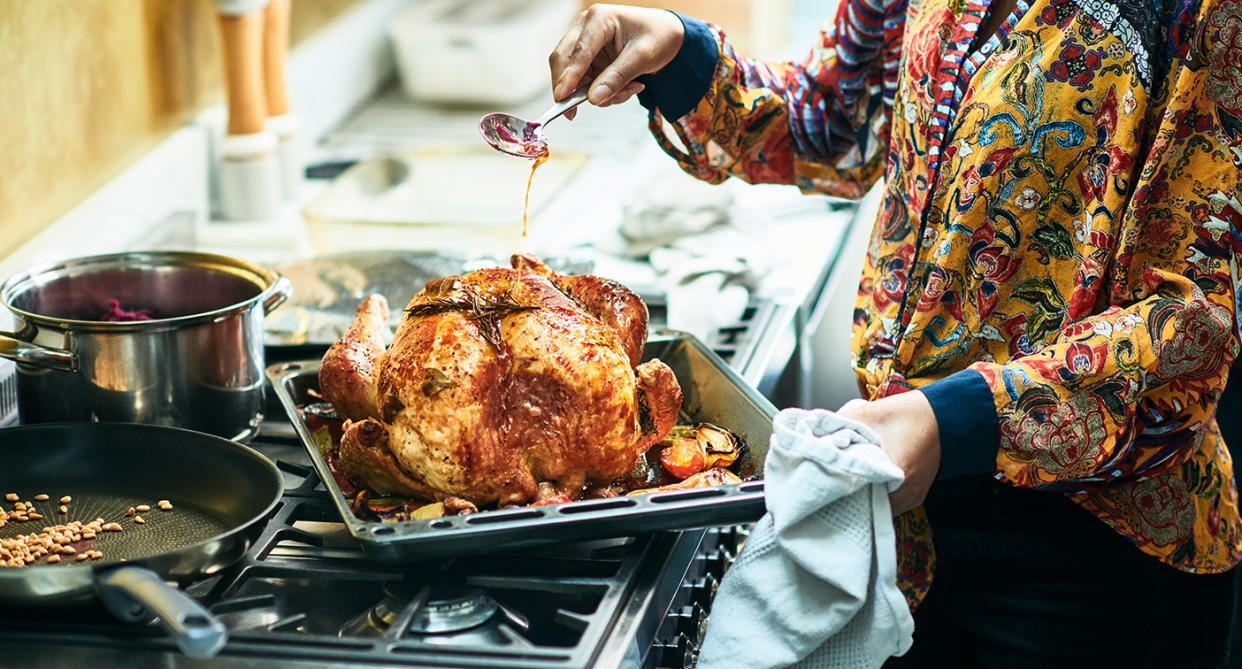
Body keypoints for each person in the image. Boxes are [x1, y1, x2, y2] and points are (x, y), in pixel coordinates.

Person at [548, 1, 1242, 666]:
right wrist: (680, 53)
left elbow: (1190, 323)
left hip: (1090, 562)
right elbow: (834, 122)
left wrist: (959, 420)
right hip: (907, 526)